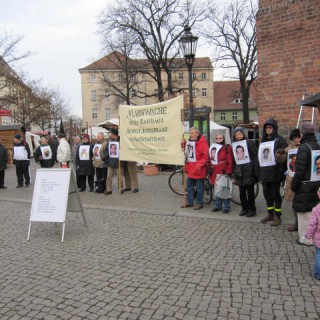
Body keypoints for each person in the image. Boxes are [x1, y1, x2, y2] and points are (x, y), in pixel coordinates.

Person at [291, 122, 320, 245]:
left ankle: (306, 238)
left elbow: (300, 169)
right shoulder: (317, 145)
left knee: (303, 211)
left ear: (302, 133)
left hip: (304, 184)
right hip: (315, 180)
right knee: (313, 208)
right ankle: (314, 235)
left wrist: (294, 185)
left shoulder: (304, 147)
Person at [259, 119, 288, 226]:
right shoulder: (263, 140)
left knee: (275, 195)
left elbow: (284, 157)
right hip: (265, 172)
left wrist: (281, 172)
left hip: (275, 173)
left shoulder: (280, 140)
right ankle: (270, 214)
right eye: (266, 128)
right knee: (267, 195)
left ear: (274, 128)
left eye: (270, 127)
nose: (268, 129)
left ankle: (278, 215)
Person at [232, 127, 259, 217]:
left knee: (250, 192)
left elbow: (255, 156)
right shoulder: (235, 144)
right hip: (239, 171)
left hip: (249, 171)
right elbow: (234, 160)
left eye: (239, 134)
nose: (238, 136)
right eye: (236, 135)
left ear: (243, 134)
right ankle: (244, 208)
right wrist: (233, 174)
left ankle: (252, 209)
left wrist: (255, 171)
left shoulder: (249, 143)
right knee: (241, 192)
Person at [279, 128, 301, 232]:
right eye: (295, 138)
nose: (297, 140)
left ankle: (303, 224)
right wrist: (280, 153)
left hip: (302, 179)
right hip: (292, 179)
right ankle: (296, 224)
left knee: (302, 203)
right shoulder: (290, 148)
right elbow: (282, 159)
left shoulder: (304, 147)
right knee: (294, 203)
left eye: (298, 137)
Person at [181, 127, 209, 210]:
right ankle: (190, 202)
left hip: (198, 169)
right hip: (190, 168)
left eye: (192, 133)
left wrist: (199, 165)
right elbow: (186, 150)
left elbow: (205, 156)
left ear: (197, 133)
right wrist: (183, 143)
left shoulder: (202, 143)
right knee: (189, 186)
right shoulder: (190, 141)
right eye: (190, 133)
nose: (191, 135)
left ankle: (199, 203)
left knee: (199, 188)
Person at [210, 134, 234, 213]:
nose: (218, 139)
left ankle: (226, 207)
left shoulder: (227, 148)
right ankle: (217, 205)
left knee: (224, 189)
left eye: (220, 138)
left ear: (223, 139)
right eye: (216, 138)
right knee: (216, 189)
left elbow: (230, 161)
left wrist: (228, 170)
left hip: (223, 170)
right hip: (215, 171)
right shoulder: (213, 147)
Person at [303, 188, 320, 280]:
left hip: (318, 238)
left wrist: (307, 235)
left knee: (319, 255)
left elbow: (312, 225)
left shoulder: (316, 209)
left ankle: (318, 274)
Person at [101, 128, 123, 195]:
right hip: (110, 162)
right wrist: (105, 159)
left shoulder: (121, 141)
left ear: (114, 134)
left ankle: (121, 188)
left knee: (120, 177)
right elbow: (106, 151)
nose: (110, 135)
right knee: (109, 177)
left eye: (111, 133)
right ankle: (109, 189)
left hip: (119, 162)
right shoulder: (109, 142)